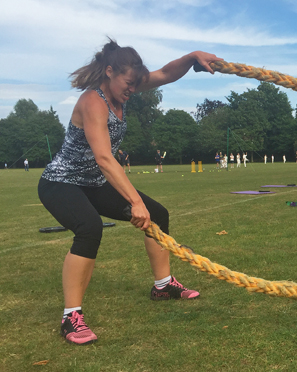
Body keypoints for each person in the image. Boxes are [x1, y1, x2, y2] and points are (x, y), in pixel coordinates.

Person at [37, 39, 221, 345]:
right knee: (89, 228)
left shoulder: (125, 87)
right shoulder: (93, 102)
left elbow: (165, 73)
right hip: (61, 182)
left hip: (93, 183)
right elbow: (104, 158)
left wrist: (192, 57)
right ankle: (71, 317)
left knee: (158, 214)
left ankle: (163, 286)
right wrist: (134, 201)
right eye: (128, 83)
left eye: (136, 84)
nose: (132, 90)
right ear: (109, 72)